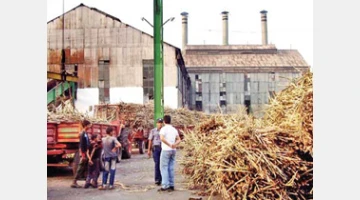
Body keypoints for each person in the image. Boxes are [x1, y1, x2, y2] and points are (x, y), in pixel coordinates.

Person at [158, 115, 181, 192]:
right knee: (171, 167)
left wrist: (169, 144)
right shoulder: (174, 129)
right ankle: (171, 185)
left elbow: (162, 138)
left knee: (163, 167)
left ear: (164, 121)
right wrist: (174, 144)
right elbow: (179, 139)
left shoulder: (163, 129)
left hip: (166, 150)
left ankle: (165, 185)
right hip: (173, 150)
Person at [71, 119, 92, 188]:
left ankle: (87, 181)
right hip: (83, 153)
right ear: (86, 125)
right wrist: (82, 154)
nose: (90, 126)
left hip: (85, 152)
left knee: (85, 167)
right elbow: (81, 145)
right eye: (89, 125)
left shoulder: (85, 133)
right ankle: (74, 181)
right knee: (80, 167)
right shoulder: (83, 134)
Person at [147, 118, 164, 186]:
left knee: (162, 164)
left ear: (162, 123)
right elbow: (150, 140)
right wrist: (149, 150)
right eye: (158, 123)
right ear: (156, 123)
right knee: (157, 163)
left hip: (163, 148)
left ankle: (162, 178)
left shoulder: (164, 131)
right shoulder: (153, 131)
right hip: (156, 148)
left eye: (161, 123)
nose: (160, 124)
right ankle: (157, 179)